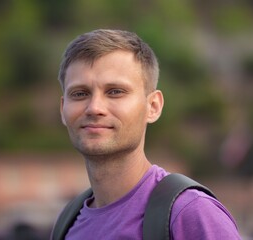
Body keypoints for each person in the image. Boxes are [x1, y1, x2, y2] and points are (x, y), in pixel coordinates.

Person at [55, 29, 241, 239]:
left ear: (153, 106)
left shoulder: (190, 213)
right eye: (80, 94)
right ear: (63, 110)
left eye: (115, 91)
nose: (94, 107)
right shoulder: (68, 224)